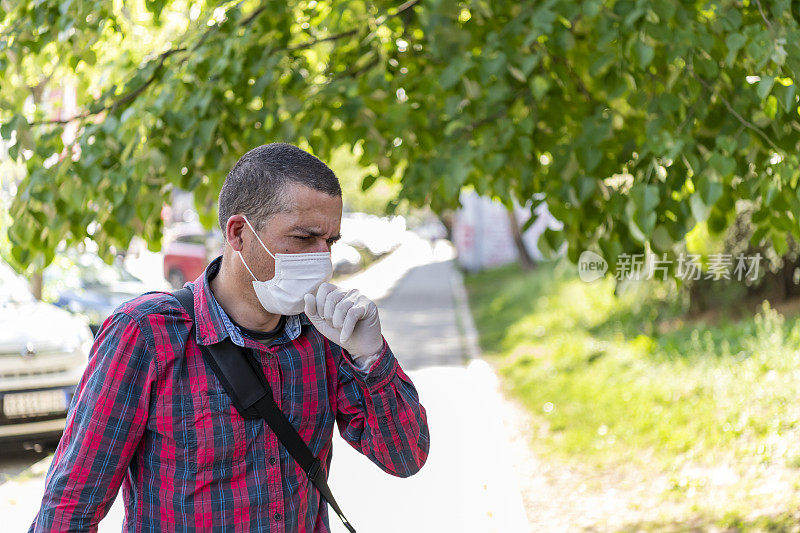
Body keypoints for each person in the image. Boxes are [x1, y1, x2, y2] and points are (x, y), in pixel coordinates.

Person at [30, 143, 430, 532]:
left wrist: (370, 357)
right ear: (239, 233)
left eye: (331, 242)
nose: (321, 258)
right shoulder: (147, 335)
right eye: (304, 238)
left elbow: (405, 456)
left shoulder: (325, 335)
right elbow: (69, 509)